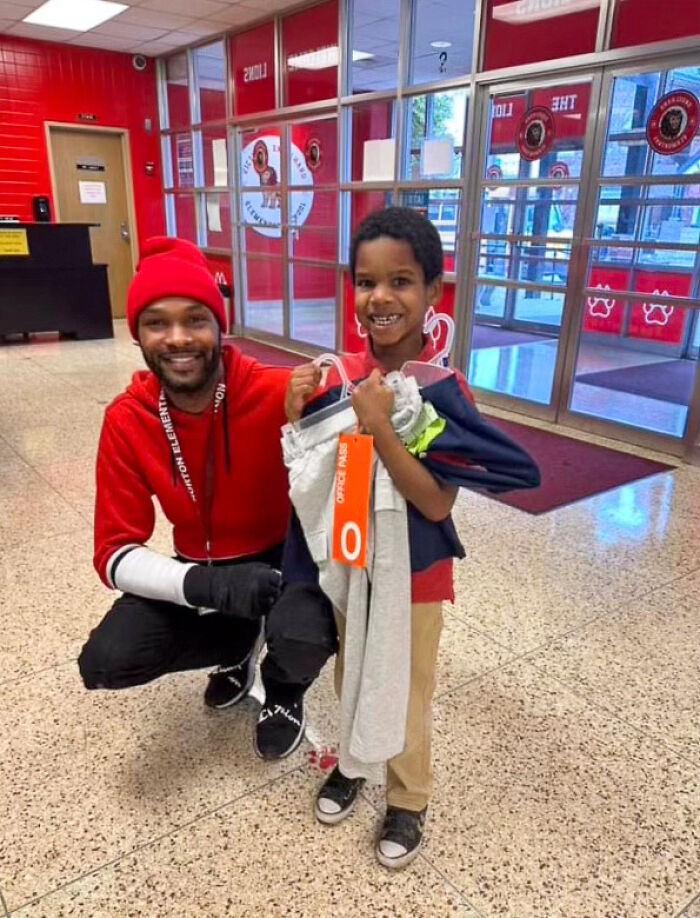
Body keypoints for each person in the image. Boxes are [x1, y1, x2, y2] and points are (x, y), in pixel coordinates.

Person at [280, 207, 538, 869]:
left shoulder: (443, 392)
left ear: (433, 293)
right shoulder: (341, 379)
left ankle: (408, 796)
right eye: (366, 282)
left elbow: (435, 498)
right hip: (353, 557)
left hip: (418, 573)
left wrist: (383, 430)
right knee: (354, 672)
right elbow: (321, 470)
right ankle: (355, 761)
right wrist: (299, 412)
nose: (381, 298)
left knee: (408, 686)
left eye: (401, 281)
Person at [78, 236, 313, 761]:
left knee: (305, 628)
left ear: (219, 325)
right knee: (107, 660)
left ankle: (284, 689)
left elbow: (365, 404)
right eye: (157, 322)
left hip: (284, 555)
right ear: (136, 334)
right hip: (201, 565)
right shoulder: (127, 418)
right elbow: (114, 554)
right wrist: (207, 585)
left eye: (195, 319)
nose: (178, 338)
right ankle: (236, 647)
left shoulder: (275, 391)